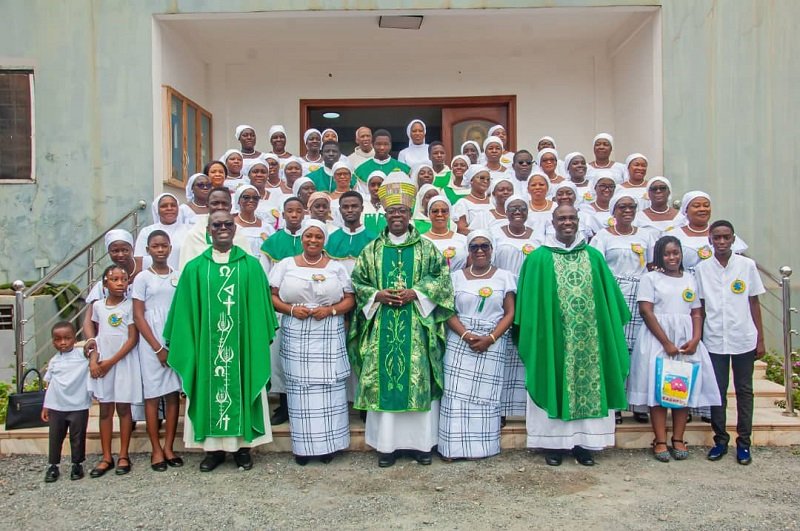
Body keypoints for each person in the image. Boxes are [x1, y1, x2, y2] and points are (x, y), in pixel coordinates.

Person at [348, 175, 455, 467]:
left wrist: (417, 293)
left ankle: (422, 446)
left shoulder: (427, 248)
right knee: (386, 381)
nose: (397, 216)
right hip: (382, 324)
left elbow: (442, 280)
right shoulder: (371, 250)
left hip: (417, 327)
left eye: (402, 211)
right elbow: (358, 282)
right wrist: (377, 295)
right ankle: (387, 447)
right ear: (385, 214)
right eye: (392, 211)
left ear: (410, 214)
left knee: (417, 379)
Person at [515, 205, 631, 466]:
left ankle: (585, 444)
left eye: (572, 218)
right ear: (552, 222)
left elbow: (611, 305)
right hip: (552, 341)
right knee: (553, 380)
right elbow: (528, 309)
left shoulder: (594, 257)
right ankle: (552, 445)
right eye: (562, 218)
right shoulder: (538, 259)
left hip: (591, 343)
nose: (567, 222)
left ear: (579, 222)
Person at [164, 210, 278, 472]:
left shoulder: (251, 266)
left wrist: (256, 340)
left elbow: (261, 312)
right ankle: (213, 451)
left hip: (242, 348)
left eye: (228, 224)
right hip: (207, 349)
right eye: (217, 225)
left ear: (235, 230)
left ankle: (243, 449)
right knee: (208, 388)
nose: (223, 228)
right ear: (208, 230)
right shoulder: (195, 269)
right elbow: (184, 314)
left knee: (244, 384)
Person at [269, 220, 356, 465]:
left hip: (328, 329)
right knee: (300, 389)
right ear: (302, 238)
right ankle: (304, 447)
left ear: (324, 240)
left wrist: (330, 311)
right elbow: (272, 295)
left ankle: (329, 445)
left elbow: (350, 299)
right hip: (296, 329)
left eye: (318, 236)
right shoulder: (286, 264)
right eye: (309, 236)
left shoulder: (336, 267)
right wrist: (290, 309)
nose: (313, 240)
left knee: (329, 389)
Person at [628, 235, 721, 461]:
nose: (672, 257)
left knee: (682, 388)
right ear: (660, 256)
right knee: (659, 389)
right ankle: (660, 440)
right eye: (667, 253)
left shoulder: (690, 278)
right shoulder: (650, 278)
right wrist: (666, 342)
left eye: (676, 253)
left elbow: (696, 311)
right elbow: (646, 311)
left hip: (686, 340)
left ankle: (678, 438)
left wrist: (696, 337)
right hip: (658, 339)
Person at [438, 231, 516, 460]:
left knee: (486, 397)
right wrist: (466, 335)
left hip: (493, 341)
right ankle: (452, 449)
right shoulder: (455, 278)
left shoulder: (505, 276)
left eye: (485, 246)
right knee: (455, 395)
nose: (480, 250)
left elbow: (510, 312)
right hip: (460, 341)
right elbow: (448, 311)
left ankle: (484, 449)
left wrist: (490, 338)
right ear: (468, 251)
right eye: (474, 247)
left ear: (492, 249)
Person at [695, 220, 766, 465]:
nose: (722, 242)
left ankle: (744, 443)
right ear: (710, 240)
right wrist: (699, 338)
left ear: (734, 239)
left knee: (745, 391)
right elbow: (700, 306)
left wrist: (760, 338)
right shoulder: (702, 269)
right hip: (714, 338)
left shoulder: (746, 266)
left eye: (726, 237)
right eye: (717, 237)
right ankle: (721, 440)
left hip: (743, 337)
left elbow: (754, 302)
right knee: (718, 392)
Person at [590, 192, 657, 424]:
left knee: (639, 351)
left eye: (631, 206)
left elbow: (651, 265)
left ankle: (638, 404)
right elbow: (596, 269)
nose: (627, 210)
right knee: (615, 349)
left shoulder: (647, 236)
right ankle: (616, 405)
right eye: (622, 207)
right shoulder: (602, 237)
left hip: (641, 296)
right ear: (613, 211)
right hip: (613, 294)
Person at [131, 230, 183, 472]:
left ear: (170, 248)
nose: (160, 250)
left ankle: (169, 446)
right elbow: (138, 315)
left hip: (173, 338)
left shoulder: (178, 276)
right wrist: (157, 347)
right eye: (155, 246)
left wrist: (173, 344)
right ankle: (155, 448)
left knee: (172, 395)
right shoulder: (142, 278)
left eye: (164, 246)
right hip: (151, 342)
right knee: (152, 397)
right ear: (148, 250)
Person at [84, 265, 140, 477]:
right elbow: (95, 335)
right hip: (103, 363)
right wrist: (95, 360)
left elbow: (132, 338)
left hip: (122, 363)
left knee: (124, 410)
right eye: (114, 279)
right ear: (105, 283)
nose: (119, 283)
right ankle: (107, 456)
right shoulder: (98, 306)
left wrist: (111, 362)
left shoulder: (130, 306)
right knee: (105, 410)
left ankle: (124, 454)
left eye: (123, 279)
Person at [493, 196, 541, 420]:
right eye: (513, 208)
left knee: (526, 350)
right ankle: (501, 408)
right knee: (504, 351)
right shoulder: (496, 233)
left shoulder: (538, 237)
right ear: (506, 211)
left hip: (529, 296)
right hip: (503, 296)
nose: (518, 211)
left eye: (522, 208)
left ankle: (527, 407)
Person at [260, 196, 306, 425]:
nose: (295, 215)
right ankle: (284, 404)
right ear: (284, 214)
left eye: (299, 211)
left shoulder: (313, 239)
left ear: (304, 213)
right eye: (290, 211)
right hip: (280, 308)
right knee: (280, 357)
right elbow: (263, 277)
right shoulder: (272, 243)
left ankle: (304, 402)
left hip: (307, 310)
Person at [41, 321, 92, 483]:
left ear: (75, 339)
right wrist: (46, 405)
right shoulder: (54, 361)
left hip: (78, 405)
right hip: (57, 406)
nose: (63, 342)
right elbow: (49, 384)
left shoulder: (82, 356)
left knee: (78, 436)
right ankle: (53, 465)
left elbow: (94, 351)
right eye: (58, 339)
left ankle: (77, 464)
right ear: (53, 341)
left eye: (67, 338)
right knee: (55, 436)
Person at [667, 191, 748, 273]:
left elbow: (739, 260)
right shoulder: (672, 235)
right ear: (686, 210)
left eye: (706, 206)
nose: (702, 209)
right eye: (696, 206)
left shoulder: (722, 233)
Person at [179, 187, 251, 270]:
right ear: (207, 205)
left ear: (230, 207)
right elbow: (187, 272)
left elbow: (248, 267)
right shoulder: (194, 236)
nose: (220, 207)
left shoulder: (239, 235)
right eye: (215, 203)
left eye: (224, 203)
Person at [326, 191, 378, 274]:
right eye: (345, 207)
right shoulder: (332, 238)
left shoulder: (373, 239)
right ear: (340, 210)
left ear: (362, 209)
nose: (350, 210)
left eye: (354, 206)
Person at [134, 193, 189, 271]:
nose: (169, 208)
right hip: (154, 279)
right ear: (157, 209)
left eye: (173, 205)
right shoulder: (147, 232)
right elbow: (139, 259)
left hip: (183, 278)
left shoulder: (189, 230)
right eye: (164, 206)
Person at [354, 129, 410, 194]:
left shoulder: (402, 168)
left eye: (386, 144)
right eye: (378, 144)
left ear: (390, 145)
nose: (382, 147)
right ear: (372, 144)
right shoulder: (362, 169)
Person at [422, 195, 468, 271]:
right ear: (428, 214)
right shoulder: (421, 240)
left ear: (449, 214)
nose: (440, 214)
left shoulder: (463, 239)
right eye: (435, 211)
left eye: (444, 211)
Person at [452, 165, 492, 234]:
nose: (486, 181)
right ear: (471, 180)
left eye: (488, 179)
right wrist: (481, 236)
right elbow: (461, 229)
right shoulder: (463, 203)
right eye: (482, 178)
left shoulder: (493, 202)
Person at [362, 170, 387, 235]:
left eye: (380, 185)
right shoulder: (362, 206)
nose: (376, 188)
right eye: (373, 185)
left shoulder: (390, 206)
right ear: (368, 187)